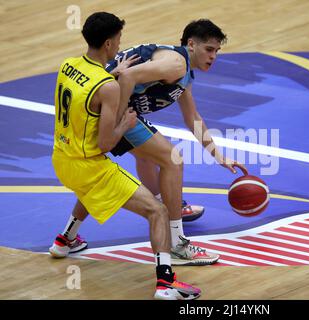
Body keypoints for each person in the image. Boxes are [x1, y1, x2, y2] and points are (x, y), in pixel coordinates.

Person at [50, 18, 247, 266]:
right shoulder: (175, 64)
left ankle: (66, 237)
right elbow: (128, 77)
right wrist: (118, 120)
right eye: (209, 49)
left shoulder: (183, 73)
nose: (213, 56)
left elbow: (193, 118)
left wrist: (219, 156)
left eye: (217, 51)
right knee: (172, 160)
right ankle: (176, 242)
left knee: (114, 172)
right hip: (110, 108)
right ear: (191, 44)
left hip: (99, 105)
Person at [49, 12, 200, 300]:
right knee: (158, 212)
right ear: (108, 43)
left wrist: (115, 73)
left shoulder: (68, 66)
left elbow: (88, 92)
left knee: (92, 190)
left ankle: (64, 241)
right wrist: (125, 124)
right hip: (89, 164)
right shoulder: (108, 87)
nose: (120, 45)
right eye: (118, 39)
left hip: (61, 157)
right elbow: (106, 143)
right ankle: (166, 283)